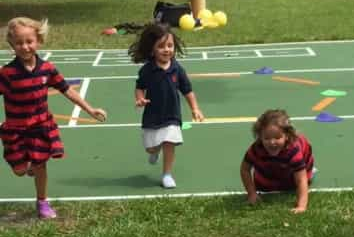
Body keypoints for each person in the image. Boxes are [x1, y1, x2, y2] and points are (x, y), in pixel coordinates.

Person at [0, 17, 107, 219]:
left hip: (41, 127)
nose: (24, 47)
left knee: (41, 164)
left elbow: (67, 90)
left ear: (38, 40)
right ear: (11, 45)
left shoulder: (47, 69)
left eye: (29, 41)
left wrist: (90, 109)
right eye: (19, 43)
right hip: (15, 130)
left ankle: (42, 202)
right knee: (20, 170)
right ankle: (29, 166)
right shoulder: (7, 73)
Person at [128, 22, 204, 189]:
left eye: (170, 45)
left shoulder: (177, 69)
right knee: (151, 148)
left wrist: (195, 109)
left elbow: (187, 91)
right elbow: (140, 87)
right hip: (153, 115)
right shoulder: (147, 70)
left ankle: (167, 174)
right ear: (152, 50)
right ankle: (155, 151)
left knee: (169, 142)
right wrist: (140, 99)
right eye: (161, 46)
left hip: (172, 116)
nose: (167, 49)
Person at [240, 109, 316, 213]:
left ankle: (306, 170)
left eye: (277, 137)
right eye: (266, 138)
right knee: (264, 186)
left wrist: (301, 206)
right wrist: (252, 193)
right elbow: (245, 169)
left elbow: (301, 180)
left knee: (297, 181)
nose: (272, 142)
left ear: (287, 136)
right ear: (260, 137)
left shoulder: (293, 150)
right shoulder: (256, 149)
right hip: (273, 168)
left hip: (297, 166)